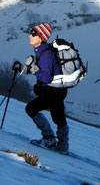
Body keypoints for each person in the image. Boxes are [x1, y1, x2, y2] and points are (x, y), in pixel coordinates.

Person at [24, 23, 69, 153]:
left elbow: (45, 77)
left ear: (41, 37)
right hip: (57, 90)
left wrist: (33, 68)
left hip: (54, 91)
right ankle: (61, 145)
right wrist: (27, 68)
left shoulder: (46, 53)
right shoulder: (42, 50)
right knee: (58, 117)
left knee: (32, 109)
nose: (30, 35)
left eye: (34, 34)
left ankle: (50, 139)